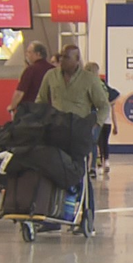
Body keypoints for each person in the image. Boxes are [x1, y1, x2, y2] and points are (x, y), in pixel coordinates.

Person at [37, 46, 113, 225]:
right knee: (52, 173)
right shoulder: (51, 76)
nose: (62, 60)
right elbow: (41, 100)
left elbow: (103, 105)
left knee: (80, 175)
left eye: (66, 57)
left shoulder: (89, 80)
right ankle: (51, 218)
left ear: (77, 59)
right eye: (61, 56)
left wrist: (95, 126)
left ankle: (87, 217)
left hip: (78, 134)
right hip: (55, 133)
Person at [84, 62, 118, 176]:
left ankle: (93, 165)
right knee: (101, 142)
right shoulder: (102, 84)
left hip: (93, 116)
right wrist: (106, 105)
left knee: (94, 142)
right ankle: (99, 164)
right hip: (104, 118)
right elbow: (115, 95)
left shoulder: (89, 83)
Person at [8, 41, 55, 115]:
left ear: (38, 54)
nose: (27, 55)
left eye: (29, 52)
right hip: (49, 111)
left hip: (30, 111)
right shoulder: (53, 70)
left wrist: (12, 106)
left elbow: (19, 93)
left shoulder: (31, 70)